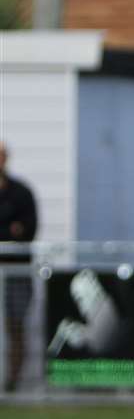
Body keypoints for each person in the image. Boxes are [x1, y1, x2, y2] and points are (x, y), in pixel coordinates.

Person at [0, 141, 38, 390]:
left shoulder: (21, 193)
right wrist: (10, 230)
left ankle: (13, 381)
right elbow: (13, 230)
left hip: (16, 272)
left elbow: (27, 231)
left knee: (15, 325)